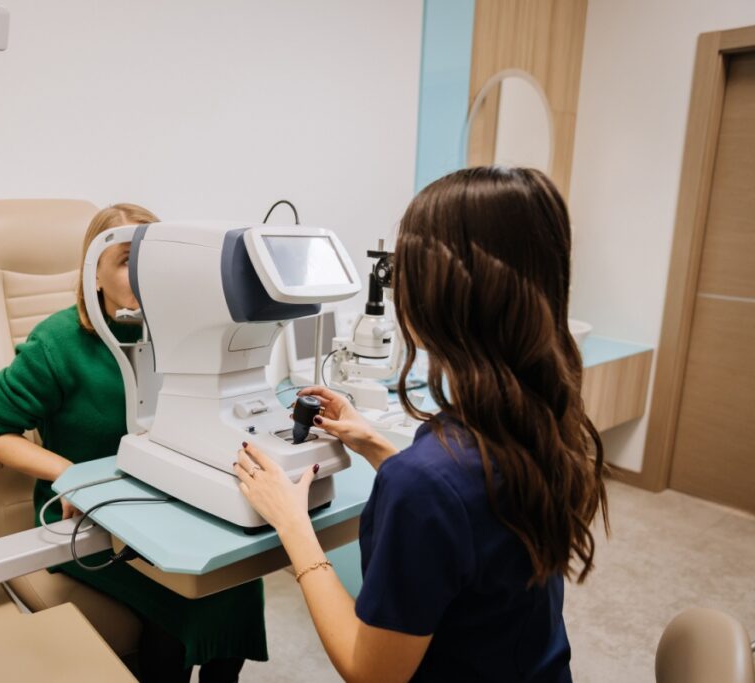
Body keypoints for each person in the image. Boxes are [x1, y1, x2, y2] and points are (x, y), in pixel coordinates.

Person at [235, 167, 607, 682]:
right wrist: (378, 446)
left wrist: (294, 527)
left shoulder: (426, 482)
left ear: (441, 294)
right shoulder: (543, 417)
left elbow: (372, 672)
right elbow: (474, 516)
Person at [0, 203, 267, 683]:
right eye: (128, 260)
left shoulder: (184, 333)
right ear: (94, 273)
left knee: (238, 575)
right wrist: (68, 474)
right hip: (90, 517)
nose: (144, 274)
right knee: (179, 590)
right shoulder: (58, 343)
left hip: (168, 501)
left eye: (153, 260)